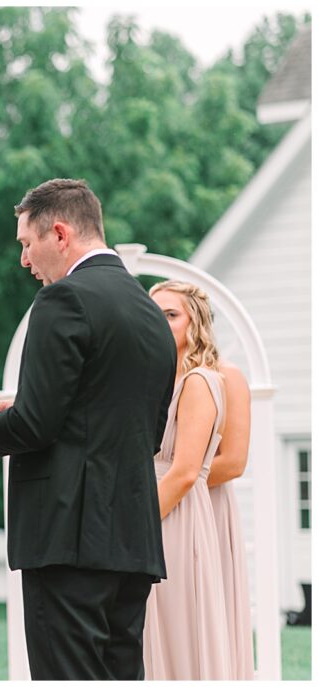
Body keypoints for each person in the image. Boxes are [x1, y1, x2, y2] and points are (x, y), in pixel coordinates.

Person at [0, 178, 176, 680]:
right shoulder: (150, 311)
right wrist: (26, 400)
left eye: (25, 243)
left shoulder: (63, 300)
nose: (24, 260)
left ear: (59, 234)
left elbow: (37, 426)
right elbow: (133, 424)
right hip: (131, 537)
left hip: (68, 538)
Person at [142, 280, 241, 679]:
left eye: (172, 315)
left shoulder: (203, 381)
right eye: (155, 314)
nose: (161, 323)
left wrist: (140, 519)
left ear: (194, 322)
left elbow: (205, 467)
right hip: (154, 499)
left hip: (174, 513)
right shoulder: (150, 380)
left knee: (180, 625)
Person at [210, 361, 255, 679]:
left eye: (173, 315)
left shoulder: (228, 377)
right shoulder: (142, 372)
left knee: (210, 615)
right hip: (142, 507)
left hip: (207, 506)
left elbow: (234, 462)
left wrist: (166, 483)